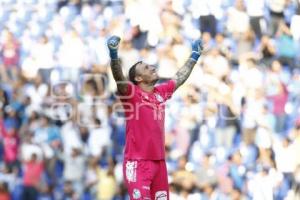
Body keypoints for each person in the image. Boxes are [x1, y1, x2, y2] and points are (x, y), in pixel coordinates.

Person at [107, 36, 203, 199]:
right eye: (145, 68)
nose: (151, 68)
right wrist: (114, 55)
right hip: (137, 163)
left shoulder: (160, 92)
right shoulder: (132, 93)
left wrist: (194, 55)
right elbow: (119, 78)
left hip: (159, 162)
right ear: (138, 79)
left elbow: (179, 78)